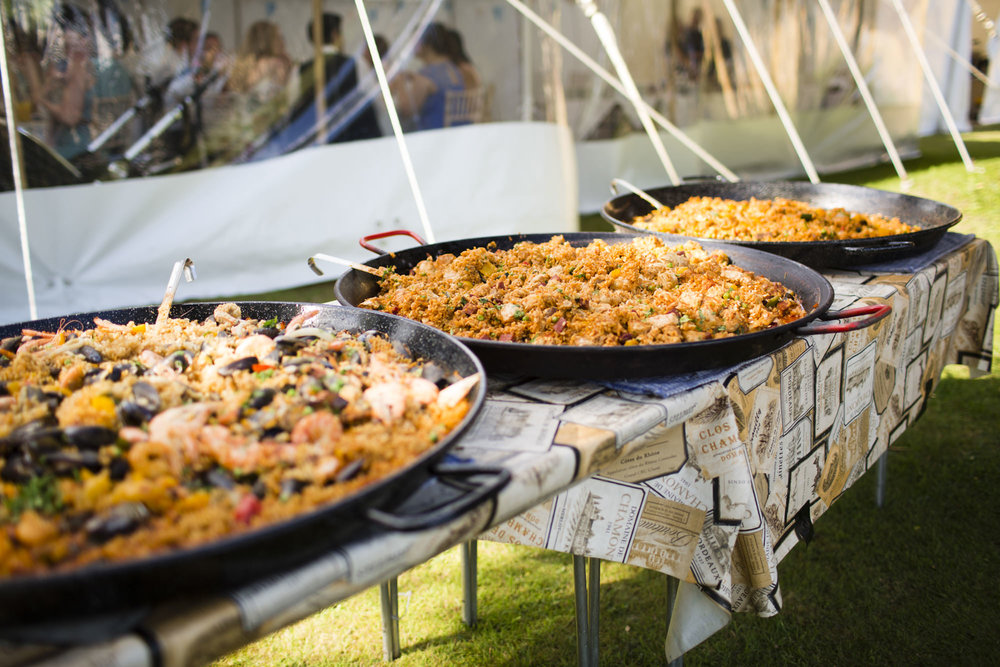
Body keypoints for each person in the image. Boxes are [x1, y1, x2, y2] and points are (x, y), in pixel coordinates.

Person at [289, 12, 380, 143]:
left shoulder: (299, 71)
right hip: (353, 140)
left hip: (313, 143)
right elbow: (374, 100)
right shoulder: (356, 64)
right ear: (335, 34)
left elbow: (294, 107)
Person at [389, 22, 465, 131]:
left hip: (433, 135)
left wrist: (399, 80)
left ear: (426, 44)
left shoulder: (427, 75)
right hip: (456, 132)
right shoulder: (452, 68)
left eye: (415, 40)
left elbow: (406, 110)